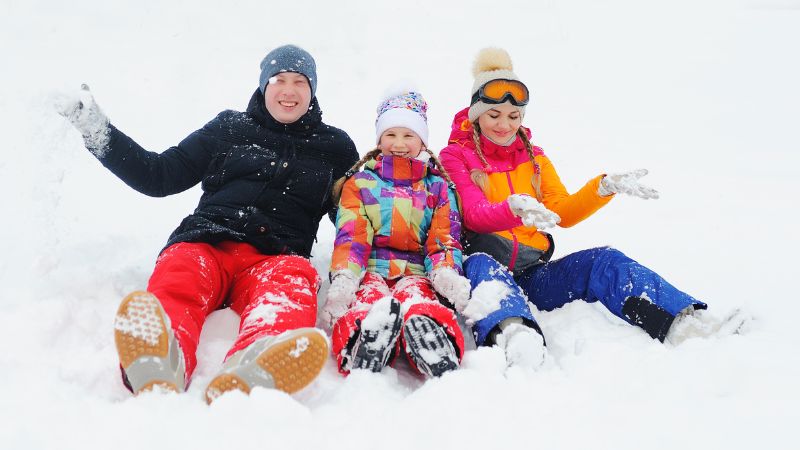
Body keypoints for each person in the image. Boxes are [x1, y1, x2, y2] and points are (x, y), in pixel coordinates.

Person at [57, 44, 359, 402]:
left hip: (277, 256)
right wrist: (96, 129)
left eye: (300, 81)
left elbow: (354, 217)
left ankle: (258, 363)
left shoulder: (335, 147)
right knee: (181, 274)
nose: (289, 90)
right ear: (264, 86)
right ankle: (160, 355)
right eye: (279, 80)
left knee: (290, 289)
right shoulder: (229, 127)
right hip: (207, 241)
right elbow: (159, 175)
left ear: (313, 90)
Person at [440, 48, 741, 369]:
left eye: (514, 116)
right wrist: (514, 208)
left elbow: (563, 213)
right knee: (483, 263)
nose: (504, 124)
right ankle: (514, 333)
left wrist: (602, 188)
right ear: (476, 114)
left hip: (532, 274)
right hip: (485, 269)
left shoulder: (534, 159)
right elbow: (474, 214)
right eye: (494, 115)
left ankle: (683, 324)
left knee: (602, 261)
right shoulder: (455, 156)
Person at [322, 90, 471, 377]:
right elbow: (352, 236)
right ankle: (360, 344)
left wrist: (445, 272)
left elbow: (443, 238)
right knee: (367, 301)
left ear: (422, 141)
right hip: (371, 272)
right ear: (379, 140)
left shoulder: (437, 186)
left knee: (418, 301)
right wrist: (345, 276)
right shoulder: (361, 183)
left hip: (416, 273)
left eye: (408, 135)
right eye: (390, 135)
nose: (399, 144)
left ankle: (434, 341)